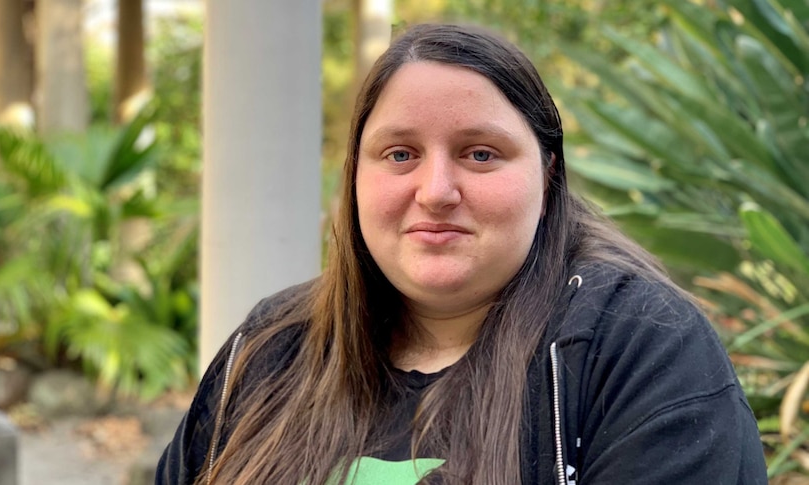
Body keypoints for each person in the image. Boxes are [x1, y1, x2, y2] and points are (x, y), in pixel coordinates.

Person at [156, 23, 767, 485]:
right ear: (355, 177)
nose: (436, 191)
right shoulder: (268, 348)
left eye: (480, 154)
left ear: (548, 176)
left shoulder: (642, 349)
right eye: (400, 154)